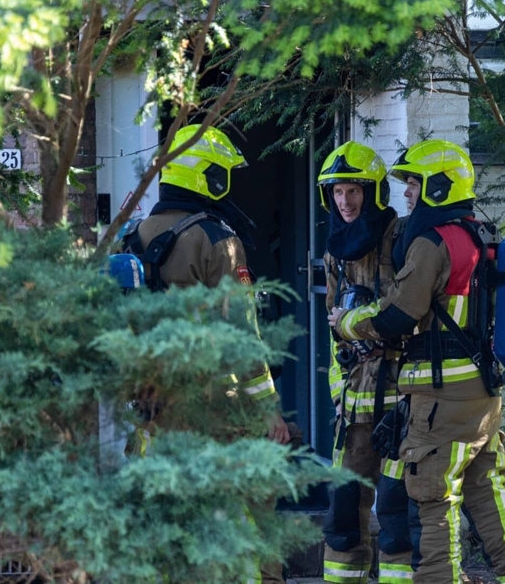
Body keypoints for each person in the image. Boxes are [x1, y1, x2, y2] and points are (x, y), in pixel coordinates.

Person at [329, 139, 505, 584]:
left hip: (439, 395)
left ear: (438, 187)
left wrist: (349, 322)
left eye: (414, 183)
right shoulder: (479, 233)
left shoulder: (431, 242)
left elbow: (399, 314)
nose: (407, 193)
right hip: (483, 392)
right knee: (488, 492)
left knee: (431, 501)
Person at [136, 124, 290, 584]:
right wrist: (268, 409)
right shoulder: (216, 239)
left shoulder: (137, 236)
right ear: (203, 175)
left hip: (154, 405)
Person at [317, 141, 413, 584]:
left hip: (400, 398)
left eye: (354, 191)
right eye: (337, 192)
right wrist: (339, 396)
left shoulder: (402, 240)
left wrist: (359, 322)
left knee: (395, 510)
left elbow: (406, 313)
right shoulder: (334, 252)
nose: (345, 201)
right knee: (342, 511)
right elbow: (334, 332)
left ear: (373, 193)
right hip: (353, 402)